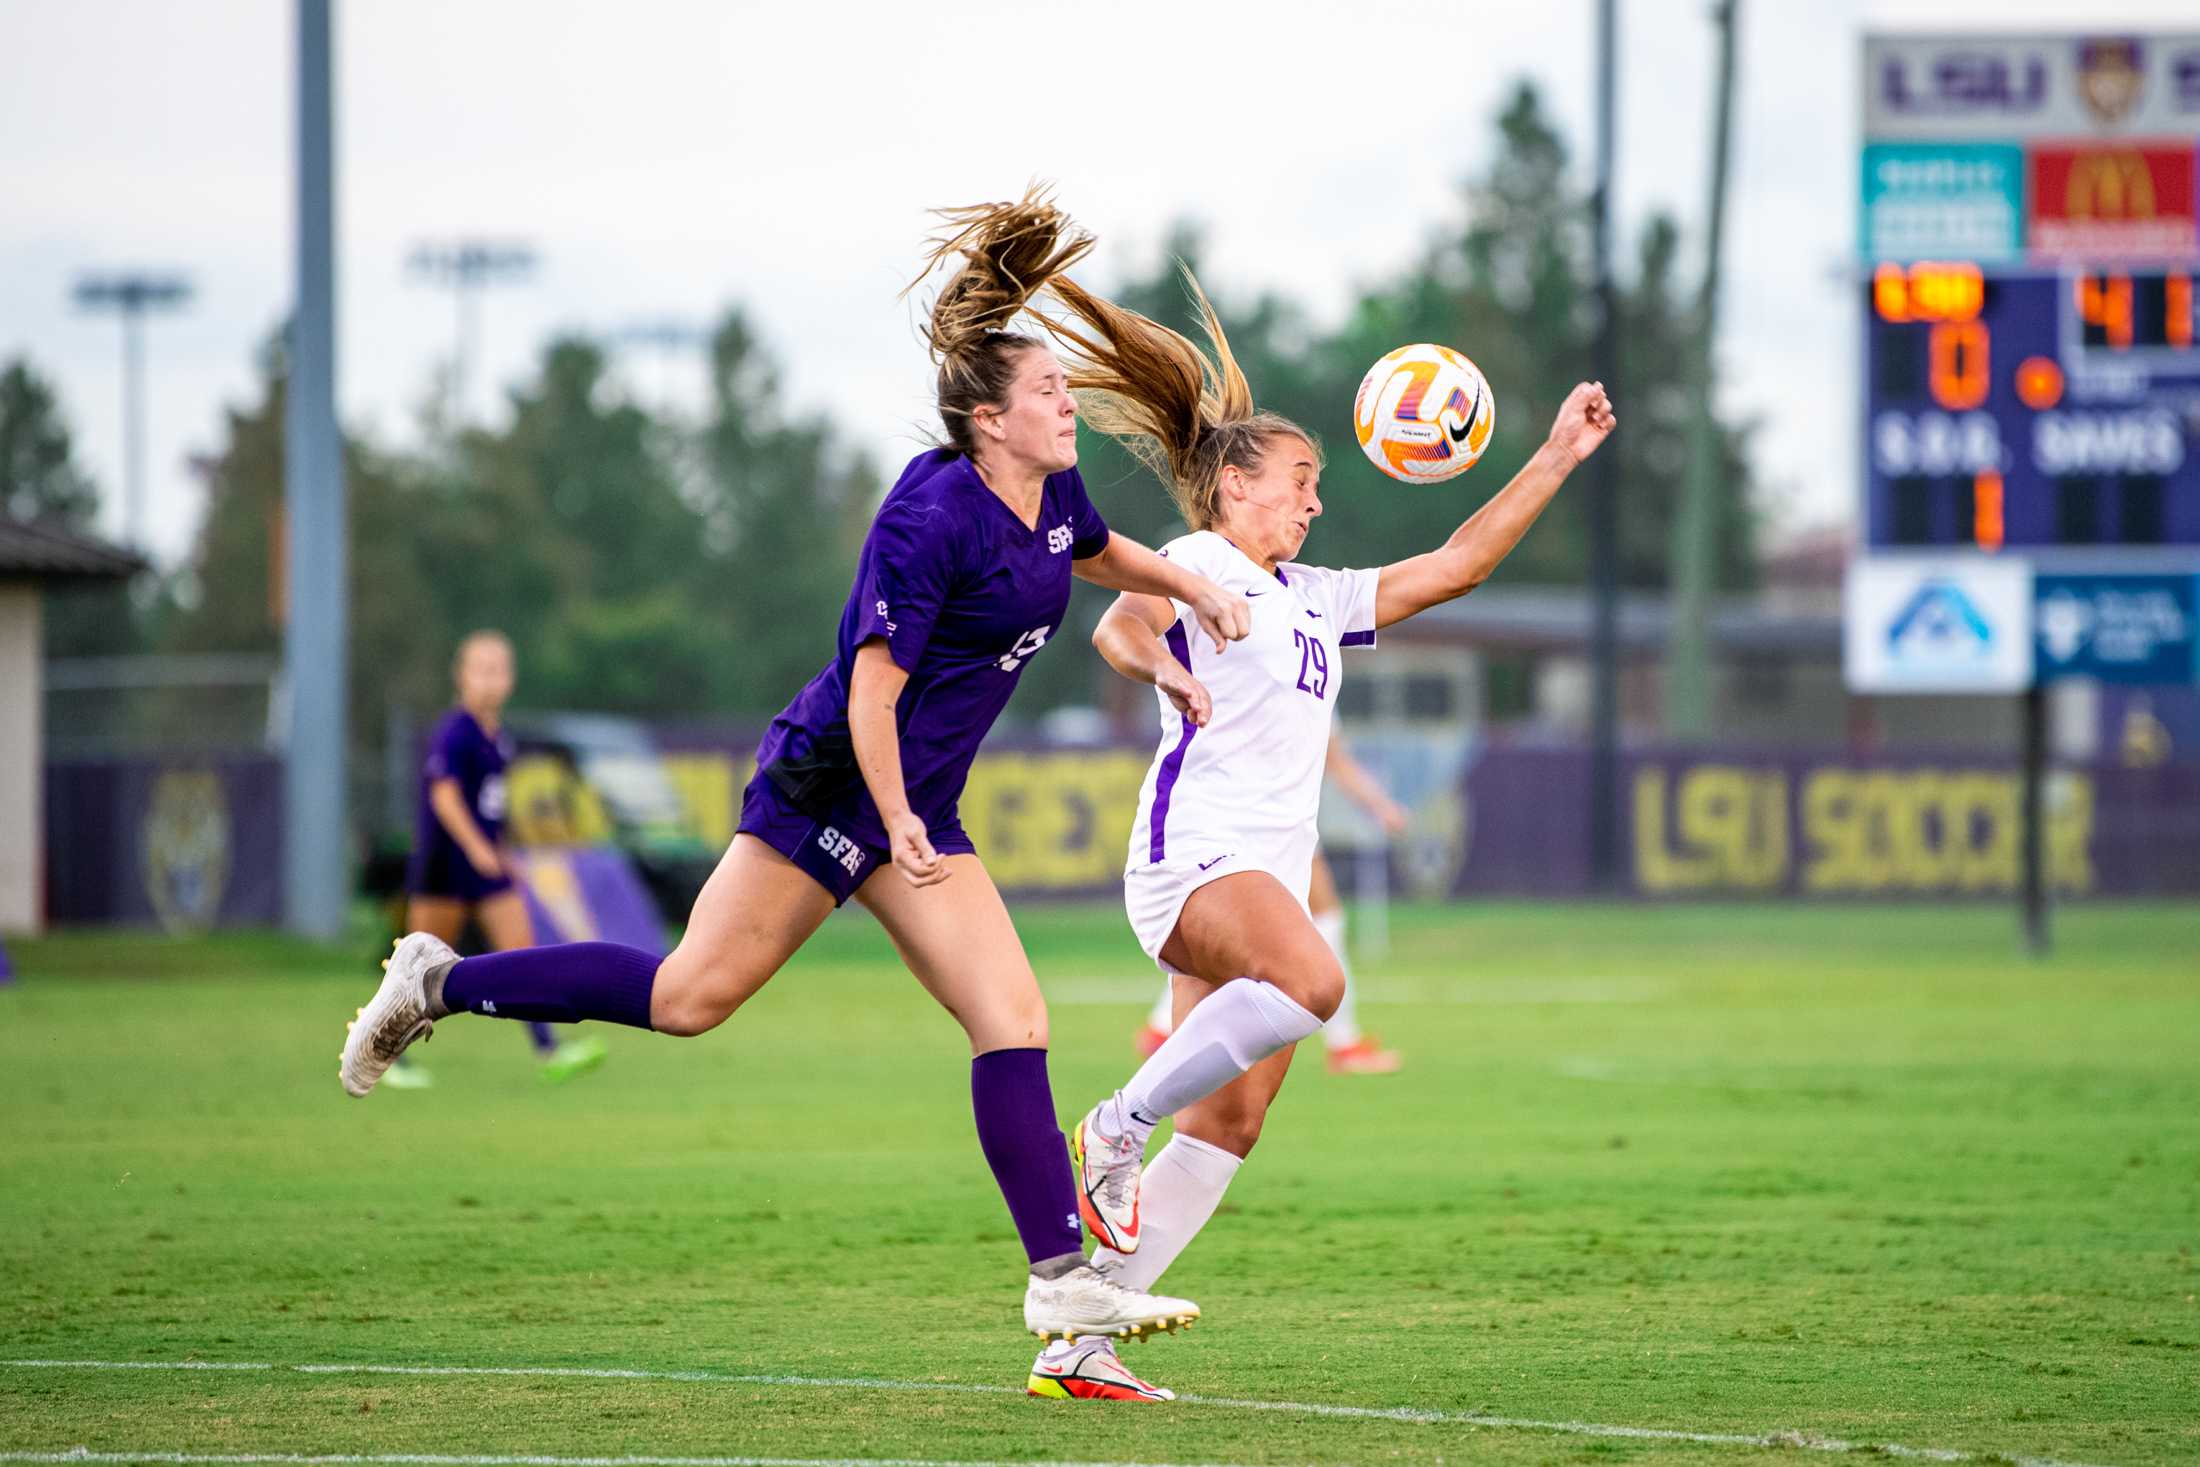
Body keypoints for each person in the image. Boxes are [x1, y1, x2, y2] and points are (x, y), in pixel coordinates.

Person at [337, 190, 1253, 1388]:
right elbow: (872, 694)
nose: (1067, 404)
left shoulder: (1048, 493)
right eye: (1045, 395)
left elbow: (1093, 556)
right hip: (833, 786)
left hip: (915, 810)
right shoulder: (927, 519)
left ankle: (1057, 1278)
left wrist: (1193, 593)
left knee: (1012, 1021)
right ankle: (437, 980)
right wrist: (903, 817)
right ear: (987, 421)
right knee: (687, 998)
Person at [1034, 264, 1613, 1393]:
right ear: (1233, 487)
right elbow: (1117, 628)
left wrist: (1554, 456)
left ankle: (1080, 1341)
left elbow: (1455, 566)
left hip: (1253, 871)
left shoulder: (1314, 595)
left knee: (1238, 1117)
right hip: (1192, 857)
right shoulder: (1203, 561)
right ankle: (1113, 1126)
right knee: (1313, 981)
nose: (1311, 502)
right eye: (1298, 480)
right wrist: (1167, 665)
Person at [383, 630, 606, 1090]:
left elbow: (489, 810)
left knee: (522, 955)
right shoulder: (454, 732)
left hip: (485, 869)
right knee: (417, 969)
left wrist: (501, 853)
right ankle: (386, 1055)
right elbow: (444, 797)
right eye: (481, 669)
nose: (491, 679)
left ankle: (549, 1048)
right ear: (462, 676)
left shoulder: (498, 740)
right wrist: (477, 849)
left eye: (499, 670)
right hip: (445, 867)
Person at [1134, 729, 1406, 1075]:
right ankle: (1344, 1042)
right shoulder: (1297, 677)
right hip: (1262, 823)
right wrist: (1381, 807)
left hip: (1268, 821)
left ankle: (1160, 1029)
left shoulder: (1310, 679)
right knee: (1320, 921)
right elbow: (1336, 761)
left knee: (1240, 935)